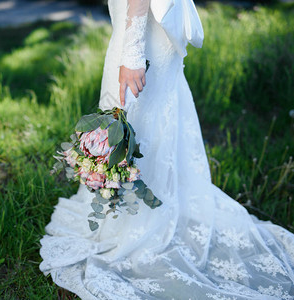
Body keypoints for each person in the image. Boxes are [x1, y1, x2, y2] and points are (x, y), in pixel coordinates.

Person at [39, 0, 294, 298]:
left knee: (135, 111)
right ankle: (135, 200)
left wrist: (132, 52)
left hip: (142, 25)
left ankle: (138, 219)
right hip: (144, 22)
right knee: (144, 114)